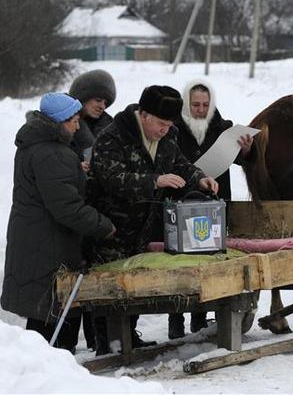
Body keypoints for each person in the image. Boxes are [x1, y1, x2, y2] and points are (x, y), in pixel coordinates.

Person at [89, 85, 219, 354]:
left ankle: (129, 337)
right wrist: (155, 181)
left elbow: (180, 164)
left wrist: (200, 178)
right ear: (143, 114)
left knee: (133, 285)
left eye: (170, 123)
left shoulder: (168, 136)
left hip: (143, 227)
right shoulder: (112, 137)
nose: (165, 128)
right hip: (111, 228)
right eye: (161, 122)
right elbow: (111, 179)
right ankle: (109, 345)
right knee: (108, 288)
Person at [1, 93, 115, 354]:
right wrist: (103, 226)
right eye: (73, 121)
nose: (78, 126)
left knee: (43, 310)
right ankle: (49, 370)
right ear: (59, 122)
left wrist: (76, 170)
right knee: (51, 313)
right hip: (49, 242)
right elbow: (67, 208)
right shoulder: (53, 153)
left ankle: (41, 365)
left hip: (34, 235)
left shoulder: (36, 145)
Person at [167, 79, 253, 339]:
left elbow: (239, 159)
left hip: (214, 202)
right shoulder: (174, 127)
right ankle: (176, 317)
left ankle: (200, 316)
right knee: (179, 261)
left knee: (209, 259)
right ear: (186, 103)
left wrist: (246, 150)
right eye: (195, 104)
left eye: (205, 104)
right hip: (180, 200)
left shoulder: (221, 127)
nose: (200, 110)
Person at [68, 69, 117, 350]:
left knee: (97, 275)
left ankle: (100, 340)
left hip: (99, 208)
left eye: (106, 101)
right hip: (74, 210)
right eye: (96, 99)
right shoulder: (64, 123)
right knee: (74, 275)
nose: (101, 105)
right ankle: (67, 342)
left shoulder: (109, 127)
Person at [69, 69, 117, 172]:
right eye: (98, 100)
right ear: (82, 98)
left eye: (105, 103)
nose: (102, 106)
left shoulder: (110, 128)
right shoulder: (59, 125)